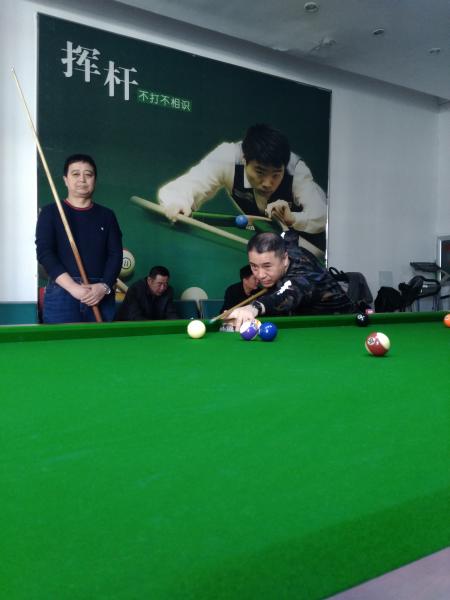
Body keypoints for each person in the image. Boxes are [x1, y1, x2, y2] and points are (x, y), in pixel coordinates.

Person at [158, 124, 327, 257]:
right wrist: (178, 201)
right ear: (245, 159)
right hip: (272, 241)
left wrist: (292, 218)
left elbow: (321, 215)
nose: (268, 183)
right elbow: (191, 183)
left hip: (314, 245)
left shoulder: (297, 171)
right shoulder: (227, 158)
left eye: (276, 175)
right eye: (260, 172)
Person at [36, 154, 123, 323]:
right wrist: (73, 288)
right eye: (75, 174)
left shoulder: (107, 215)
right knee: (62, 341)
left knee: (101, 341)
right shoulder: (50, 212)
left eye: (88, 174)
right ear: (65, 180)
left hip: (100, 292)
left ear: (94, 180)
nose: (82, 179)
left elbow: (115, 255)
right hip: (62, 292)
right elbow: (45, 253)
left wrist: (104, 286)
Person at [225, 232, 354, 330]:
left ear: (285, 259)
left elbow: (286, 294)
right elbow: (289, 235)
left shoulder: (305, 276)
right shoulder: (284, 246)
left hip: (340, 326)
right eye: (254, 266)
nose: (260, 275)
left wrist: (253, 308)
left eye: (267, 266)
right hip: (304, 324)